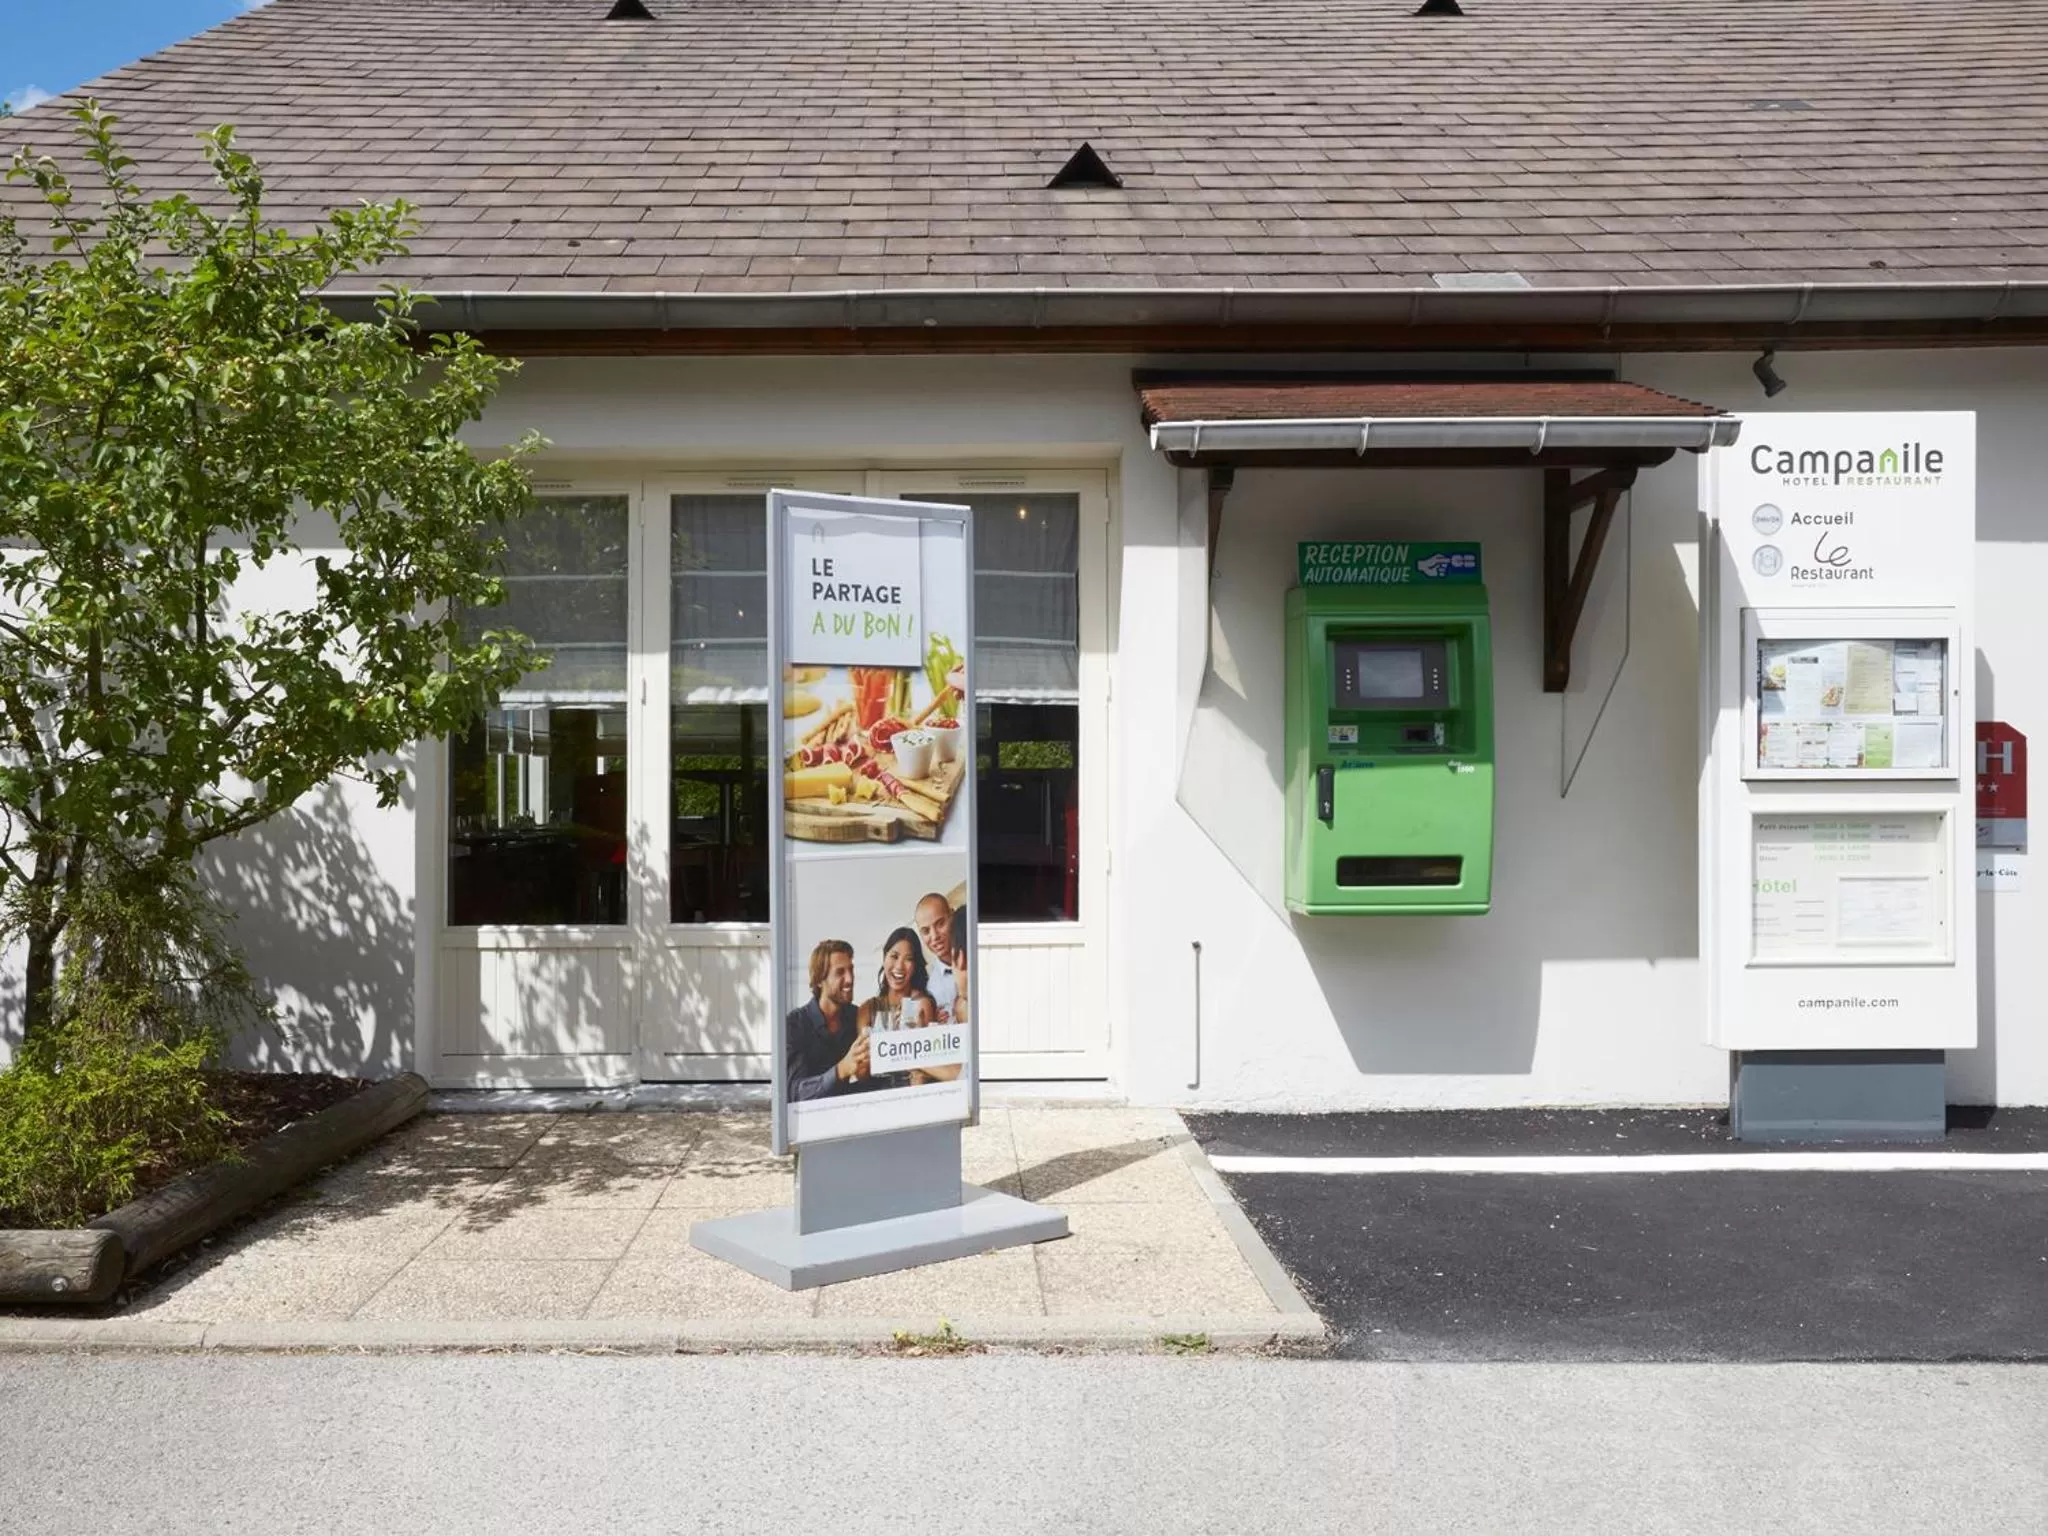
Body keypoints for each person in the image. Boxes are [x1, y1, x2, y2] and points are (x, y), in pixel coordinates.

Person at [784, 939, 874, 1099]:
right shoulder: (795, 1024)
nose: (850, 979)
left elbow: (866, 1080)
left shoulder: (857, 1017)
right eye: (840, 972)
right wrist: (841, 1070)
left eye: (851, 970)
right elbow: (794, 1092)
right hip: (810, 1121)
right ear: (819, 980)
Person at [857, 927, 937, 1088]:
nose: (899, 966)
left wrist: (916, 1035)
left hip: (911, 1090)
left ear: (915, 966)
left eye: (908, 959)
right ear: (884, 957)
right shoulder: (867, 1009)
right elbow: (862, 1074)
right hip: (875, 1093)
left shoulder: (921, 1003)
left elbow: (926, 1069)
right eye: (894, 956)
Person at [914, 891, 960, 1021]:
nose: (935, 937)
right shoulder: (931, 989)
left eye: (940, 924)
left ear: (952, 915)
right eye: (926, 931)